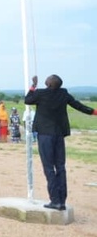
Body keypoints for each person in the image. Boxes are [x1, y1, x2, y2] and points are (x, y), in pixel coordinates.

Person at [25, 74, 97, 211]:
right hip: (59, 134)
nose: (47, 79)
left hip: (45, 135)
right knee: (60, 167)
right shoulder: (63, 93)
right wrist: (94, 112)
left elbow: (27, 100)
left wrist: (33, 85)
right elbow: (78, 106)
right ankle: (61, 201)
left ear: (49, 84)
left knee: (48, 167)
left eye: (48, 78)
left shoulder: (40, 93)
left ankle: (55, 200)